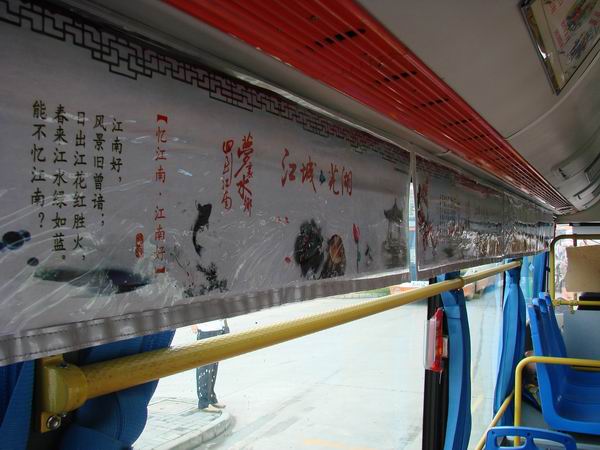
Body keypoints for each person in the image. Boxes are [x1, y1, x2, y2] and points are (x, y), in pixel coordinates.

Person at [191, 319, 230, 412]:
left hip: (218, 329)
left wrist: (225, 326)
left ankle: (211, 399)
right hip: (205, 330)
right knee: (204, 368)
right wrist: (193, 323)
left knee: (213, 367)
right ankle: (204, 403)